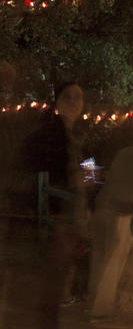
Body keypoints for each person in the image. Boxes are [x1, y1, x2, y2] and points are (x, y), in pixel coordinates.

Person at [3, 82, 88, 328]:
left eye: (78, 97)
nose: (74, 102)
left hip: (65, 225)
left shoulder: (79, 136)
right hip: (48, 226)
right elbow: (31, 176)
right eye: (68, 97)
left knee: (51, 295)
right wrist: (67, 182)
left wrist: (88, 184)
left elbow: (90, 173)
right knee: (38, 295)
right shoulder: (46, 136)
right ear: (58, 102)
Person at [88, 126, 133, 321]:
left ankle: (92, 302)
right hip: (123, 215)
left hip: (103, 209)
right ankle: (102, 308)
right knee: (114, 263)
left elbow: (102, 177)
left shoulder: (122, 153)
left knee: (99, 260)